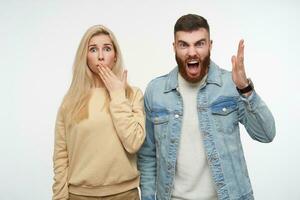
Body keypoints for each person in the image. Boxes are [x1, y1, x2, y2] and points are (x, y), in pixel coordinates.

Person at [138, 14, 276, 200]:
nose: (192, 52)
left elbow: (266, 134)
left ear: (210, 45)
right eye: (184, 44)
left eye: (199, 44)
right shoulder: (156, 91)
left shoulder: (231, 84)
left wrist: (245, 89)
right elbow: (147, 155)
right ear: (174, 47)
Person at [52, 25, 145, 200]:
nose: (101, 56)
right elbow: (61, 156)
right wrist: (59, 196)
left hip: (124, 194)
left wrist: (117, 94)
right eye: (93, 49)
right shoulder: (71, 101)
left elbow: (134, 143)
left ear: (115, 55)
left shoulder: (132, 95)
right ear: (85, 56)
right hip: (80, 195)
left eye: (107, 49)